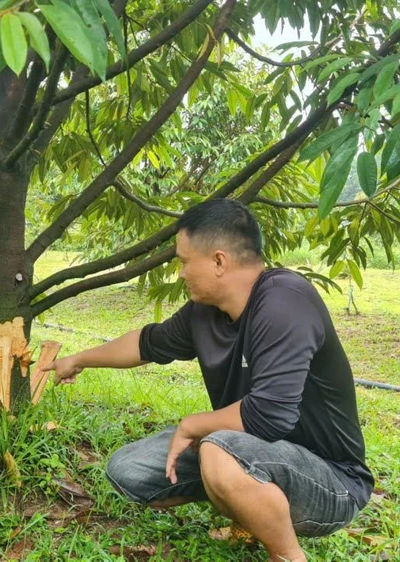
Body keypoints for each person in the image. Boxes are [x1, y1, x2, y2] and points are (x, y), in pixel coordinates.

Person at [45, 199, 373, 562]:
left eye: (184, 262)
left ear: (219, 261)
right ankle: (248, 504)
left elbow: (272, 415)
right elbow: (146, 343)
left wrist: (193, 426)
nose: (180, 273)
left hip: (331, 480)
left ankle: (287, 555)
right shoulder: (205, 313)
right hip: (249, 450)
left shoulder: (284, 302)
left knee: (217, 449)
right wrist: (79, 359)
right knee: (129, 470)